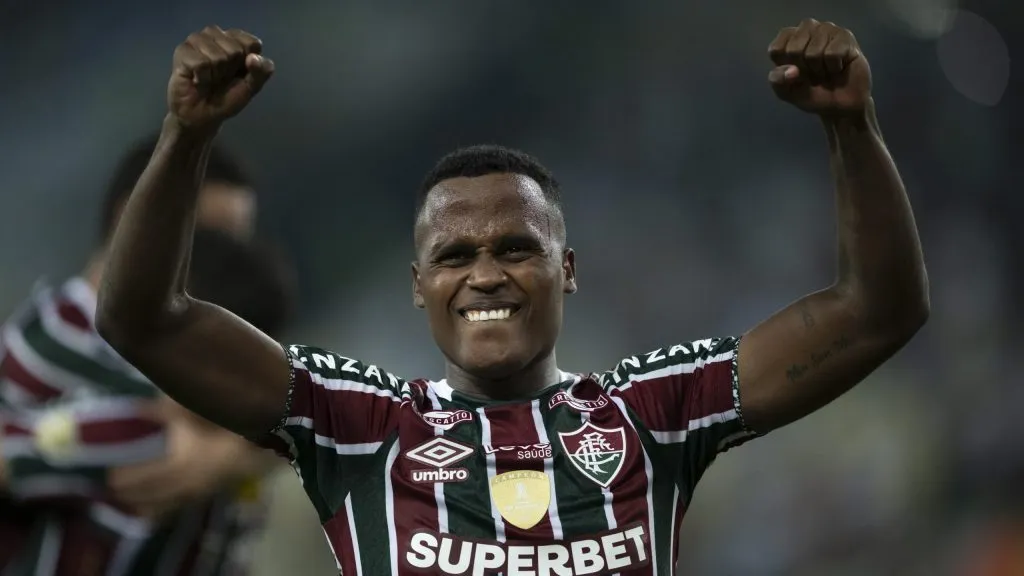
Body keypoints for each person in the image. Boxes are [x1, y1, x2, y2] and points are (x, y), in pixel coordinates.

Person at [96, 19, 929, 576]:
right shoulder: (357, 425)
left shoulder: (652, 412)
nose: (485, 274)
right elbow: (142, 318)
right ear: (419, 289)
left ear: (567, 269)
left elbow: (878, 311)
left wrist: (851, 128)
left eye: (516, 248)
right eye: (454, 256)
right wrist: (186, 138)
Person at [0, 139, 292, 575]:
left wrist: (229, 451)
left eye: (238, 243)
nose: (229, 262)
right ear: (132, 220)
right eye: (209, 239)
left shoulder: (174, 350)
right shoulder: (57, 345)